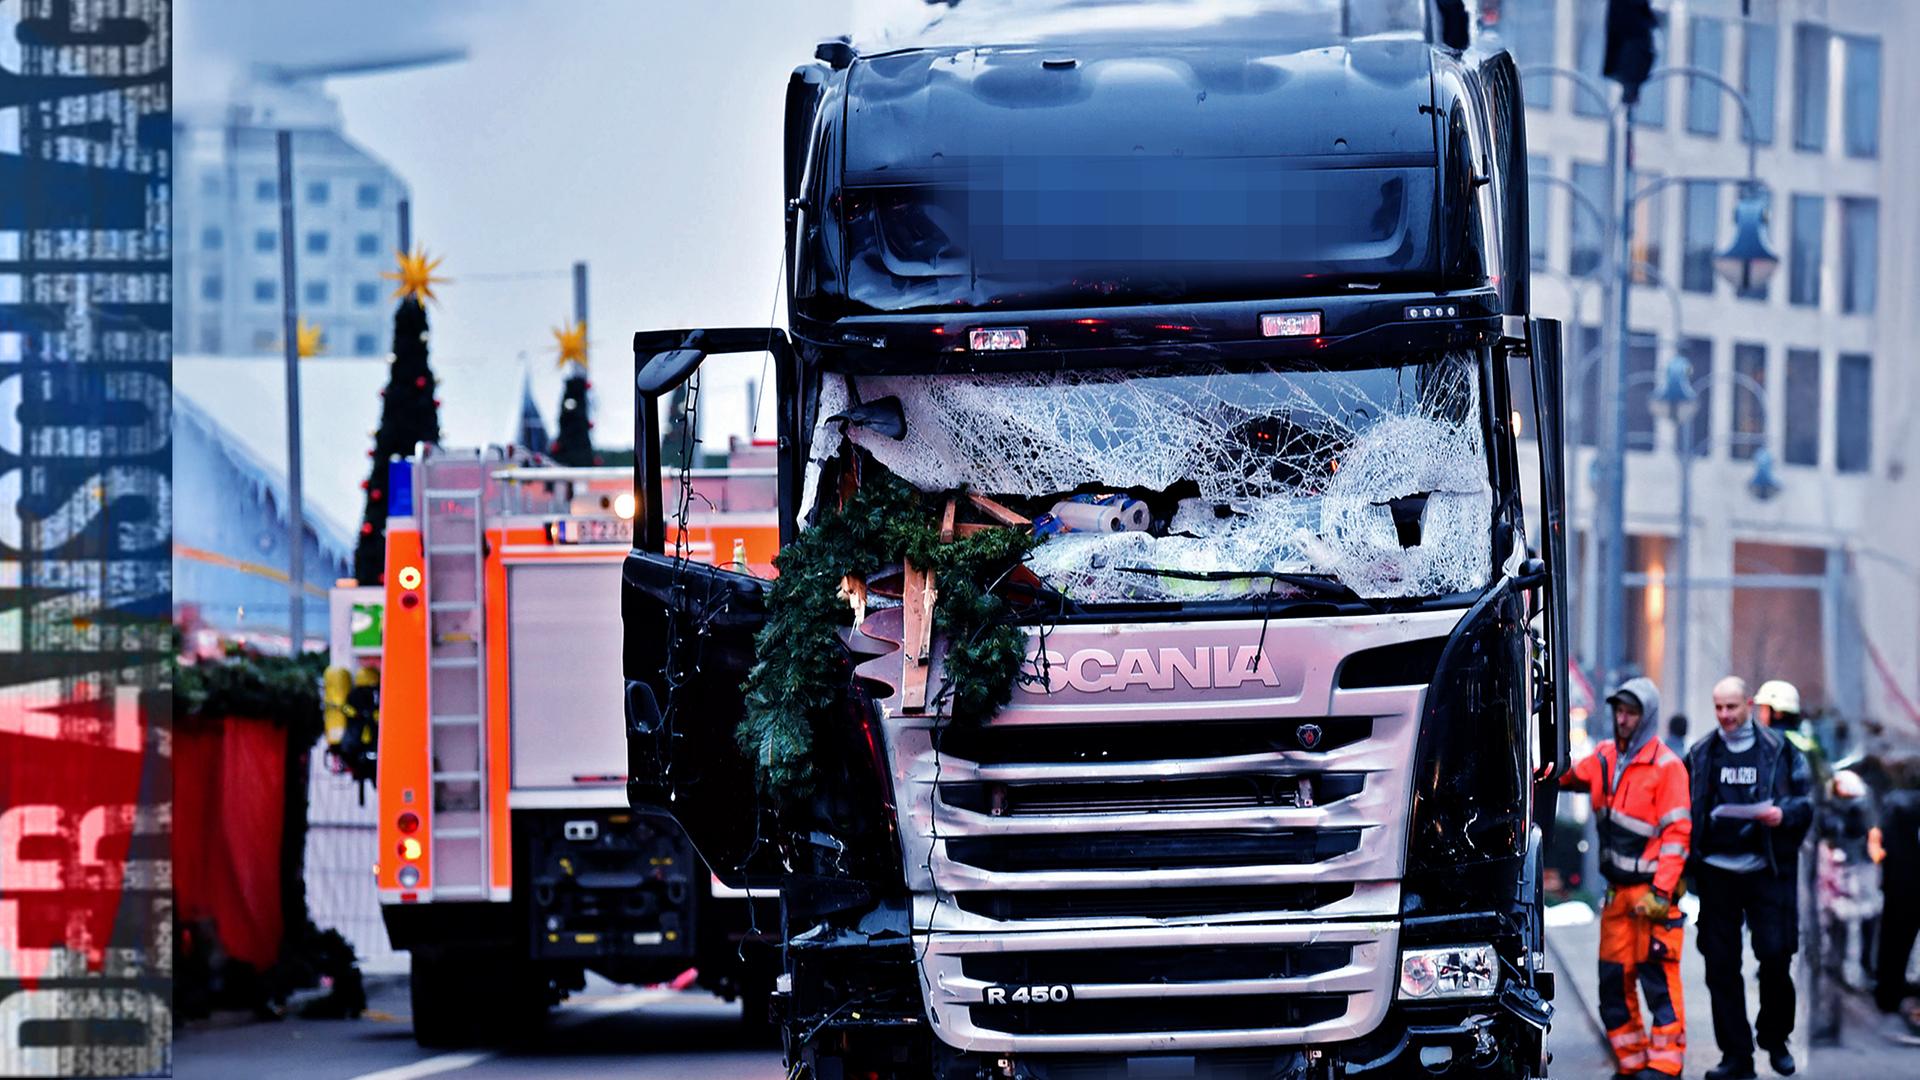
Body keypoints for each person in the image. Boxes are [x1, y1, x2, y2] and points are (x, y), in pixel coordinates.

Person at [1561, 676, 1691, 1078]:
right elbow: (1565, 774)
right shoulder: (1604, 758)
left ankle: (1666, 1066)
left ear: (1646, 717)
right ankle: (1632, 1064)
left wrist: (1662, 892)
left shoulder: (1667, 768)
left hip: (1652, 895)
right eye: (1619, 711)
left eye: (1631, 713)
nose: (1622, 719)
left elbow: (1677, 836)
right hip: (1619, 897)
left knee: (1657, 982)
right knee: (1613, 984)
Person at [1687, 676, 1815, 1079]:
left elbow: (1807, 803)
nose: (1725, 715)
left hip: (1766, 871)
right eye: (1718, 708)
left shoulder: (1781, 751)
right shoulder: (1701, 753)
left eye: (1732, 707)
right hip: (1716, 874)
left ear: (1748, 704)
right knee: (1720, 966)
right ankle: (1736, 1057)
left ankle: (1775, 1039)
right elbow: (1685, 806)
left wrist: (1783, 814)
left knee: (1776, 956)